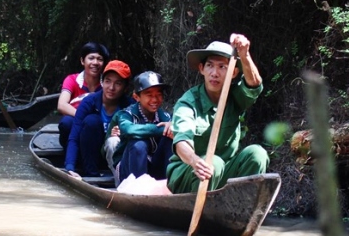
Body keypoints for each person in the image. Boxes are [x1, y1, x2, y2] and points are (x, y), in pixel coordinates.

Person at [166, 34, 269, 194]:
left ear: (233, 73)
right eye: (210, 66)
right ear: (202, 69)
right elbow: (181, 142)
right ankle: (201, 212)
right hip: (188, 172)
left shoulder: (235, 97)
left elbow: (254, 85)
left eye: (222, 67)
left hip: (223, 170)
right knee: (213, 163)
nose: (215, 73)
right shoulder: (188, 102)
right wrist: (195, 162)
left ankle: (239, 207)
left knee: (258, 154)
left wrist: (244, 54)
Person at [64, 60, 134, 178]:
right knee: (92, 121)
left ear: (125, 87)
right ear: (102, 82)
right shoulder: (89, 102)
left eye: (118, 83)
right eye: (107, 81)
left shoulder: (130, 106)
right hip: (90, 156)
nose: (111, 87)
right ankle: (92, 175)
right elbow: (74, 137)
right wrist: (70, 167)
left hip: (115, 155)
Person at [107, 71, 174, 186]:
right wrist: (161, 130)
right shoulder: (126, 114)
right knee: (139, 143)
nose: (155, 100)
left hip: (154, 169)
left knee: (170, 138)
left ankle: (171, 184)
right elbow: (128, 129)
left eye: (158, 94)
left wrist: (171, 128)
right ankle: (139, 190)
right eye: (149, 94)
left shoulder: (166, 117)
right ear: (136, 97)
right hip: (129, 172)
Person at [57, 42, 110, 150]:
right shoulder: (72, 80)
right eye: (91, 58)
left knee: (93, 123)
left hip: (97, 127)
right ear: (82, 61)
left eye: (99, 59)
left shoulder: (108, 83)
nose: (95, 62)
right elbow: (62, 105)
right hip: (75, 124)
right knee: (66, 123)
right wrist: (82, 116)